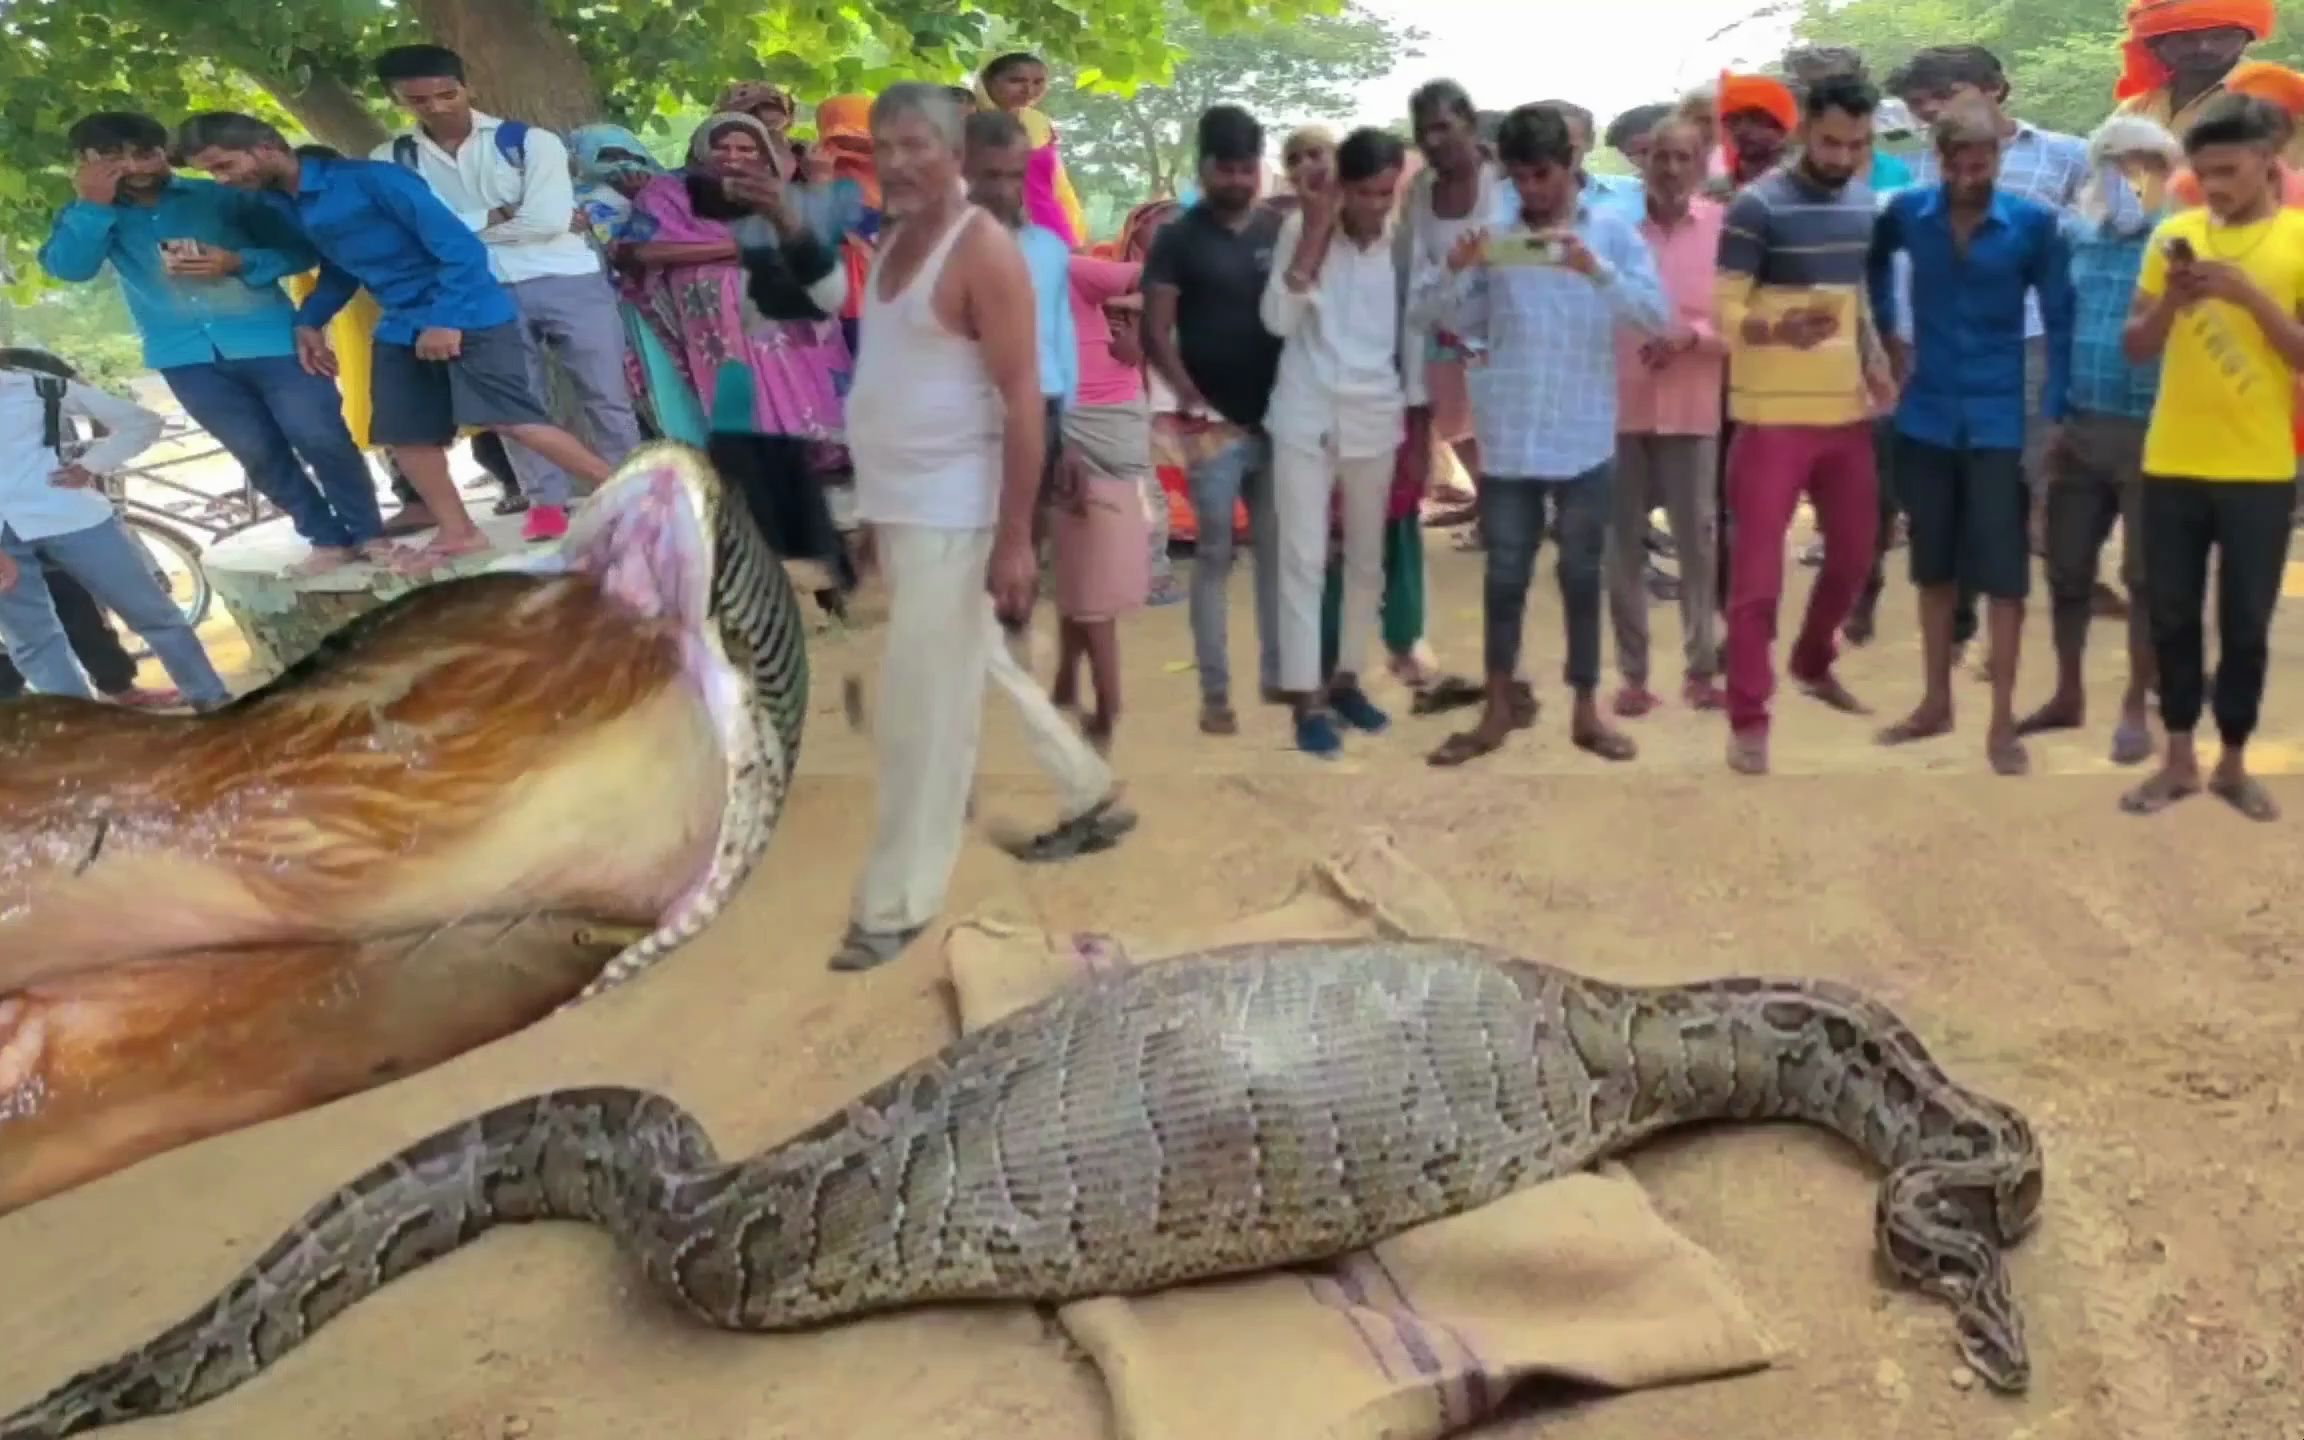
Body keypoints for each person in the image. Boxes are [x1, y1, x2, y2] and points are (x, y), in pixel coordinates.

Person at [836, 84, 1133, 972]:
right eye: (885, 145)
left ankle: (895, 904)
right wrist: (872, 512)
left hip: (959, 504)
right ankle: (1086, 790)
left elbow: (1020, 400)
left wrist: (1013, 539)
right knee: (982, 664)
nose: (898, 161)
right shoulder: (894, 245)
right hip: (906, 503)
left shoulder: (988, 253)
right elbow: (890, 383)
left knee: (927, 708)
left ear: (956, 151)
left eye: (919, 145)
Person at [177, 112, 611, 573]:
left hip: (469, 313)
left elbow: (461, 249)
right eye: (211, 173)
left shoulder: (373, 180)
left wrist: (446, 321)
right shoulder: (282, 203)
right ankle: (459, 531)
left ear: (265, 148)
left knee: (512, 419)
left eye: (224, 166)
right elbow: (341, 266)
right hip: (400, 324)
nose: (221, 180)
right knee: (403, 436)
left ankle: (644, 493)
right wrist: (310, 321)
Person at [1421, 102, 1670, 769]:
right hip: (1508, 434)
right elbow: (1453, 323)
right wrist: (1459, 271)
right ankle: (1498, 707)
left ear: (1570, 165)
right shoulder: (1489, 233)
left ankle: (1586, 711)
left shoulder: (1613, 234)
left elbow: (1654, 318)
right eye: (1520, 176)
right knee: (1504, 576)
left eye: (1543, 176)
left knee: (1580, 574)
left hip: (1585, 430)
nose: (1531, 190)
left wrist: (1595, 269)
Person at [39, 112, 387, 575]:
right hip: (183, 356)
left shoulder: (221, 196)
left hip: (271, 340)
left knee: (319, 434)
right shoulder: (87, 214)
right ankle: (325, 538)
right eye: (113, 159)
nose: (135, 167)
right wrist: (92, 205)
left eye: (146, 153)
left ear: (165, 153)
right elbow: (70, 269)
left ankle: (369, 534)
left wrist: (236, 261)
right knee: (257, 452)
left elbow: (300, 250)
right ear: (85, 163)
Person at [1868, 99, 2075, 777]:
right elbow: (1872, 266)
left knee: (2006, 578)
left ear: (1998, 158)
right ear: (1939, 156)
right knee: (1933, 568)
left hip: (1997, 419)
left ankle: (2002, 723)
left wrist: (2056, 410)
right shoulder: (1908, 214)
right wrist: (1887, 332)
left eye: (1979, 163)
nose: (1966, 175)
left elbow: (2061, 319)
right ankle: (1935, 703)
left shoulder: (2033, 224)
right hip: (1924, 413)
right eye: (1955, 163)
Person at [371, 45, 642, 545]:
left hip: (567, 276)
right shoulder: (390, 160)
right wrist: (496, 216)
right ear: (395, 99)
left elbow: (545, 221)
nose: (435, 106)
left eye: (446, 93)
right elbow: (406, 235)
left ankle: (630, 495)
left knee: (606, 394)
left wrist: (450, 233)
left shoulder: (529, 142)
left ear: (466, 86)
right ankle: (544, 503)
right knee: (515, 407)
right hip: (476, 292)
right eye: (418, 99)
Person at [2118, 95, 2304, 821]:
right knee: (2171, 617)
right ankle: (2177, 761)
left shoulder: (2297, 240)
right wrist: (2172, 304)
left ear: (2268, 161)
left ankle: (2232, 762)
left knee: (2246, 622)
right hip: (2173, 459)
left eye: (2228, 170)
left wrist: (2249, 298)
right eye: (2204, 172)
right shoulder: (2173, 234)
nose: (2216, 185)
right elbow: (2136, 348)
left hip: (2259, 467)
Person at [1713, 72, 1891, 777]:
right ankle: (1749, 718)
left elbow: (1859, 298)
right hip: (1769, 419)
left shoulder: (1861, 201)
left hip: (1845, 415)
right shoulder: (1757, 206)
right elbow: (1723, 312)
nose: (1842, 156)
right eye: (1830, 141)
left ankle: (1814, 660)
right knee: (1758, 579)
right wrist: (1780, 327)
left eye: (1856, 143)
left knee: (1853, 557)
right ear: (1804, 131)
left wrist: (1875, 361)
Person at [2017, 115, 2180, 766]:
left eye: (2150, 164)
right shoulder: (2071, 239)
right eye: (2121, 162)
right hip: (2079, 427)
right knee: (2066, 571)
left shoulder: (2179, 239)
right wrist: (2051, 421)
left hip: (2154, 431)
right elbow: (2054, 332)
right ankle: (2067, 692)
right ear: (2098, 167)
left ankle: (2136, 706)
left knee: (2145, 576)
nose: (2134, 177)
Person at [625, 113, 854, 561]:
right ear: (700, 150)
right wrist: (740, 248)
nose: (733, 156)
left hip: (781, 318)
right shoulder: (668, 193)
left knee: (794, 410)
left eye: (746, 148)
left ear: (765, 153)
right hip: (711, 321)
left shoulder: (780, 196)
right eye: (722, 146)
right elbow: (638, 251)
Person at [1261, 126, 1408, 757]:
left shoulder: (1402, 242)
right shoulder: (1302, 230)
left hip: (1375, 415)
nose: (1376, 206)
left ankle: (1347, 679)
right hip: (1304, 412)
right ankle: (1305, 700)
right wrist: (1317, 233)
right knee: (1302, 559)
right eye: (1365, 193)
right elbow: (1276, 320)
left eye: (1385, 193)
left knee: (1367, 559)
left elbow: (1416, 334)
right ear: (1341, 186)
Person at [1143, 104, 1286, 737]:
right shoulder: (1177, 237)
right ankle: (1215, 691)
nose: (1236, 179)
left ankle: (1283, 676)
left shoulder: (1279, 231)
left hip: (1280, 423)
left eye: (1246, 168)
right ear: (1203, 169)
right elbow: (1154, 327)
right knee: (1214, 554)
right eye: (1224, 168)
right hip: (1213, 429)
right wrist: (1189, 398)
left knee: (1281, 554)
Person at [0, 362, 231, 710]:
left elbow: (142, 421)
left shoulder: (38, 388)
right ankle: (81, 732)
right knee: (33, 640)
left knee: (152, 613)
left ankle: (211, 699)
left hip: (71, 515)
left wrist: (91, 465)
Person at [1608, 115, 1726, 718]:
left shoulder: (1726, 231)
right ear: (1643, 160)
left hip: (1691, 405)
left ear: (1703, 161)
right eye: (1661, 157)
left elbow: (1747, 320)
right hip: (1618, 406)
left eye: (1684, 157)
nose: (1672, 169)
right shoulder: (1610, 230)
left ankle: (1702, 668)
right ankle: (1633, 676)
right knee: (1621, 544)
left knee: (1697, 542)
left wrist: (1690, 337)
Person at [1053, 222, 1156, 749]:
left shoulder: (1067, 269)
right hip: (1059, 422)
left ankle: (1108, 706)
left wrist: (1141, 328)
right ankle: (1068, 682)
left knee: (1089, 575)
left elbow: (1161, 278)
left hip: (1100, 421)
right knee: (1073, 558)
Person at [963, 111, 1077, 548]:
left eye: (1014, 175)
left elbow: (1062, 341)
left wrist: (1072, 437)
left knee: (1022, 542)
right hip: (959, 413)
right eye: (988, 175)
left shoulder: (1046, 249)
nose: (1002, 189)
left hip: (1037, 411)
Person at [2114, 0, 2301, 164]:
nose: (2204, 47)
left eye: (2221, 36)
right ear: (2154, 45)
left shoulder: (2285, 95)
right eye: (2185, 38)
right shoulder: (2138, 108)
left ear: (2246, 39)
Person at [977, 51, 1087, 247]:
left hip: (1048, 225)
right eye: (1016, 81)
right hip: (986, 227)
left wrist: (1074, 233)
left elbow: (1058, 183)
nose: (1028, 90)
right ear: (989, 81)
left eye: (1038, 82)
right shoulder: (963, 118)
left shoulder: (1040, 123)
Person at [1716, 73, 1798, 188]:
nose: (1742, 129)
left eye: (1755, 118)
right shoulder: (1712, 192)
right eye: (1734, 120)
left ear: (1782, 128)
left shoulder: (1803, 188)